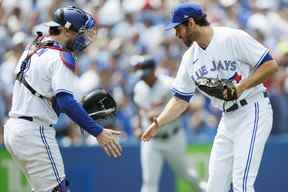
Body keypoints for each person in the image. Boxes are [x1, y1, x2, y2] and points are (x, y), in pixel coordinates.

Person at [141, 3, 278, 192]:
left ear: (190, 23)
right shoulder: (190, 58)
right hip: (227, 117)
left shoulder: (231, 37)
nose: (177, 35)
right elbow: (180, 100)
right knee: (215, 187)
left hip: (252, 108)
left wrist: (240, 88)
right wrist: (158, 123)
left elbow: (270, 65)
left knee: (242, 184)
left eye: (178, 28)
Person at [3, 6, 122, 192]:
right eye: (80, 33)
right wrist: (97, 131)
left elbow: (50, 99)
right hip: (35, 131)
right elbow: (65, 102)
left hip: (15, 129)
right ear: (66, 30)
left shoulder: (33, 46)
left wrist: (79, 113)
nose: (83, 39)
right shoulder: (61, 56)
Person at [132, 56, 203, 192]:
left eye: (146, 75)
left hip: (173, 137)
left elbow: (185, 107)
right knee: (149, 182)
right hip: (152, 140)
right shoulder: (139, 87)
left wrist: (162, 116)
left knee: (187, 175)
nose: (143, 78)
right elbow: (141, 110)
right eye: (141, 75)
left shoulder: (169, 84)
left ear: (154, 71)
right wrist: (138, 127)